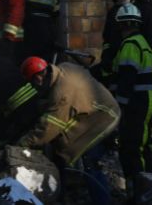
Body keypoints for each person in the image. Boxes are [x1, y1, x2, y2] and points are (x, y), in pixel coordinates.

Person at [18, 56, 120, 205]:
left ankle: (103, 201)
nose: (35, 87)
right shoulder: (64, 67)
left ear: (39, 78)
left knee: (89, 164)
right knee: (60, 152)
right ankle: (61, 196)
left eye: (33, 83)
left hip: (103, 119)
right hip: (96, 111)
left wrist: (23, 143)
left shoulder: (61, 94)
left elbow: (48, 128)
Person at [109, 4, 152, 202]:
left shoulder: (130, 45)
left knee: (134, 147)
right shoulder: (141, 42)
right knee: (144, 146)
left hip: (138, 103)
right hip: (145, 101)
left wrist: (119, 106)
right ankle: (148, 189)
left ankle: (141, 193)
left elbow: (127, 78)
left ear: (122, 25)